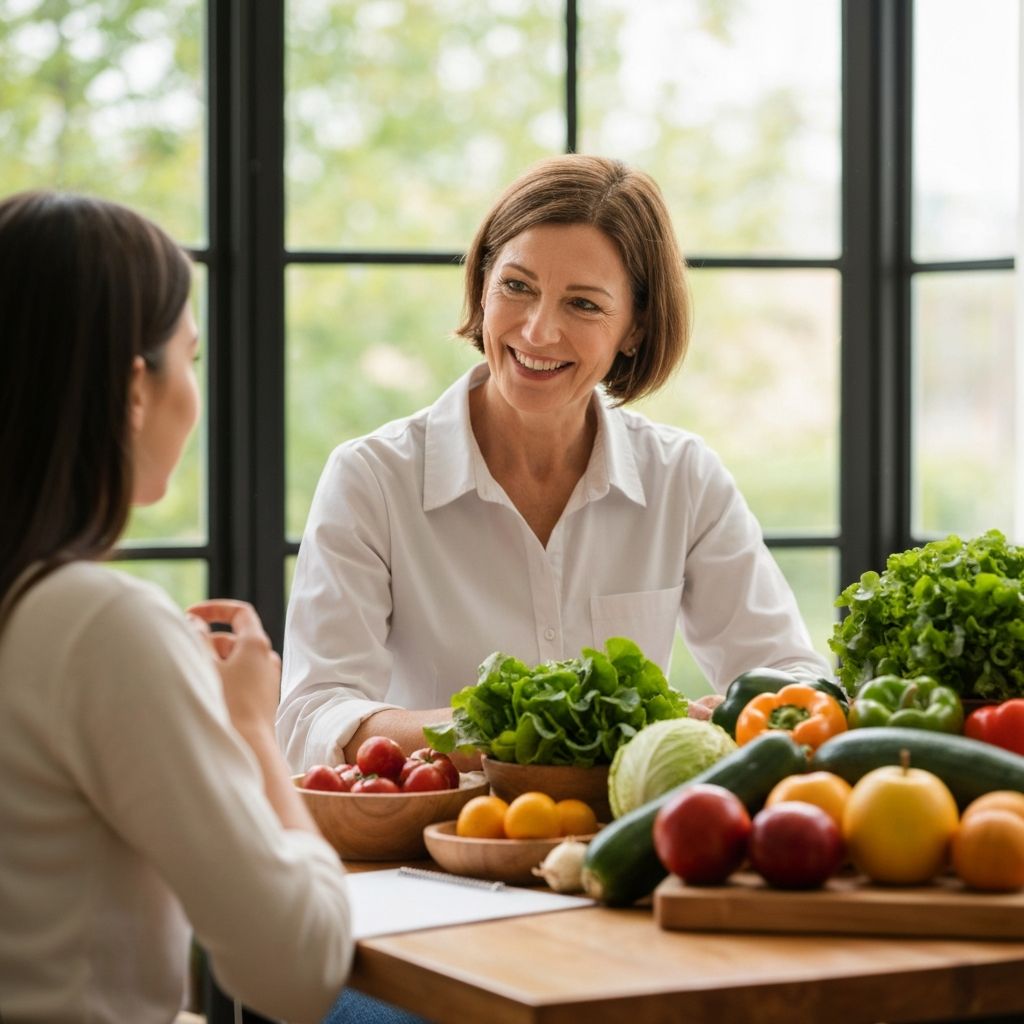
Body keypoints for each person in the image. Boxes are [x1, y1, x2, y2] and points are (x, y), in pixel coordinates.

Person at [277, 154, 831, 772]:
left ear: (635, 329)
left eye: (584, 305)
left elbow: (793, 677)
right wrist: (530, 721)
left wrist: (724, 720)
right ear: (483, 286)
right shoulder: (372, 480)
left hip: (624, 845)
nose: (539, 332)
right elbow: (314, 716)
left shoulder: (684, 478)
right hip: (432, 853)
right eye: (517, 287)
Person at [0, 191, 353, 1024]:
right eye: (190, 358)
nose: (194, 393)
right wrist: (254, 729)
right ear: (133, 388)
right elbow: (297, 970)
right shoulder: (100, 625)